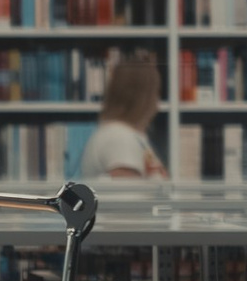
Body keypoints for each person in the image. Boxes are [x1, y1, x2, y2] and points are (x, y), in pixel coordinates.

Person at [69, 46, 171, 182]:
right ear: (144, 98)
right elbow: (127, 200)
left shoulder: (130, 135)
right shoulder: (118, 137)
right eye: (155, 93)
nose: (157, 102)